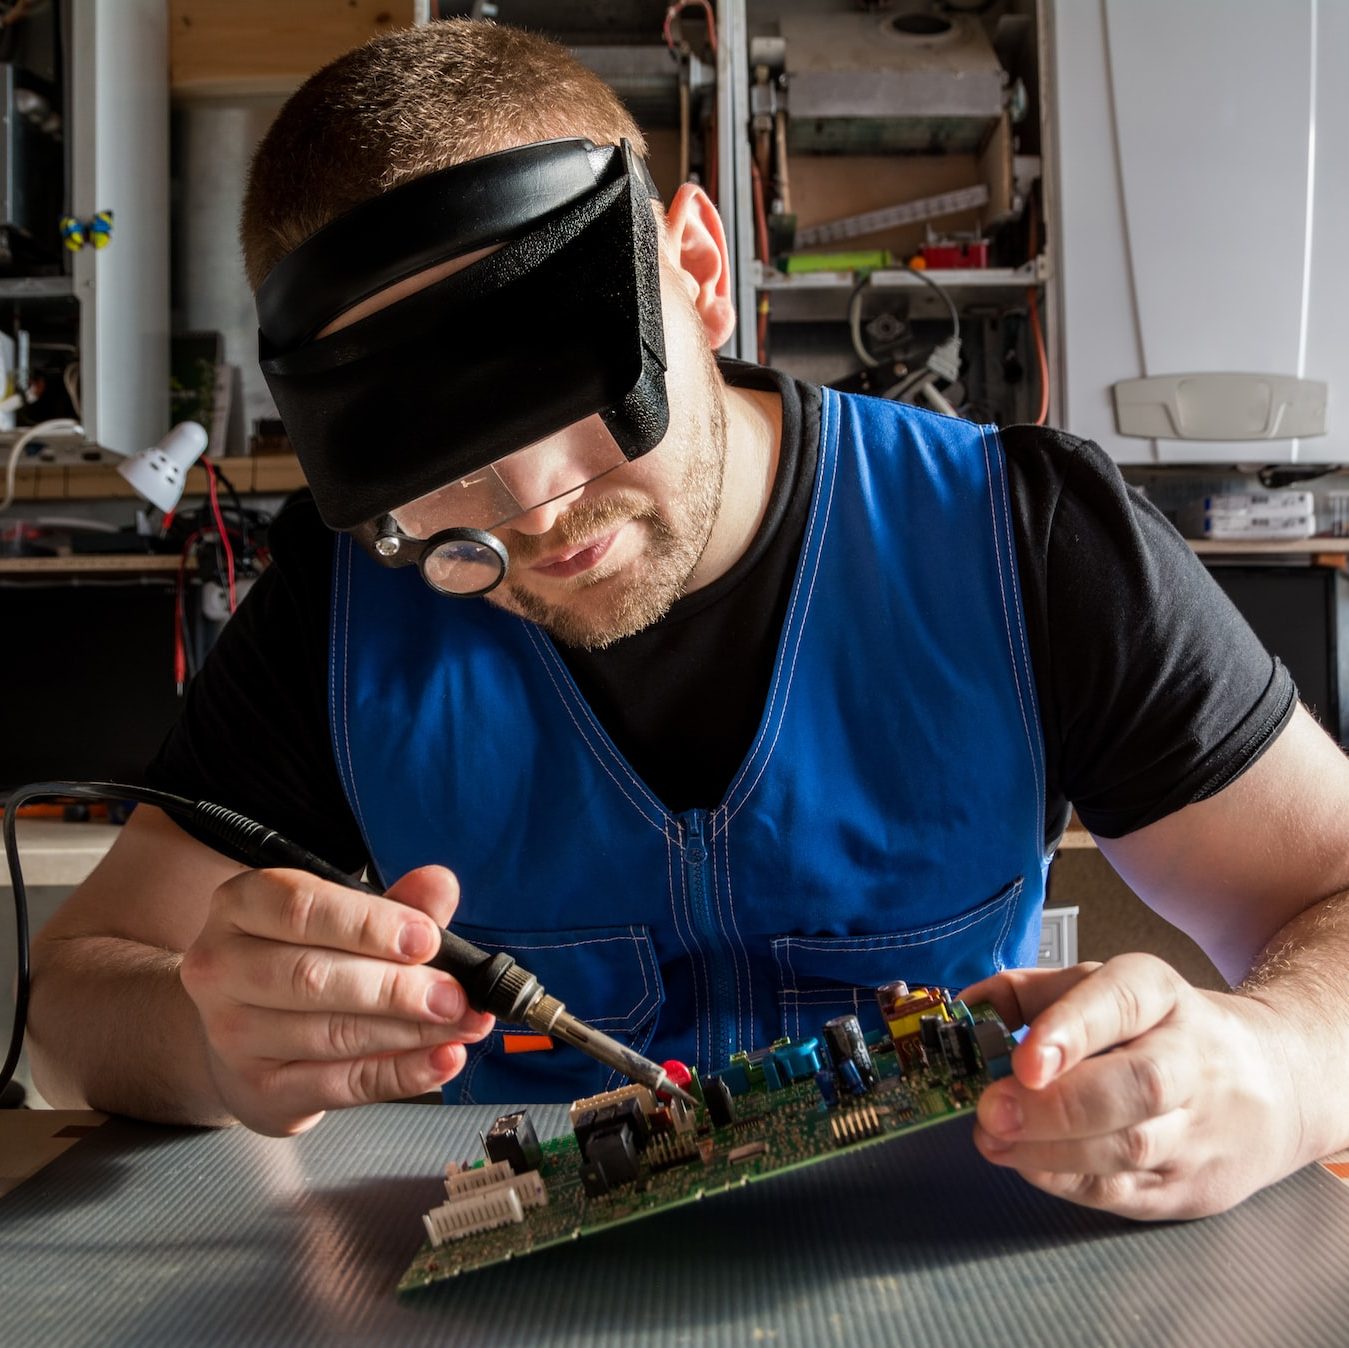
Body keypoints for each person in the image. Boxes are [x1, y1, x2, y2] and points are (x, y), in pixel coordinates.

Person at [26, 19, 1349, 1224]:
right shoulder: (345, 608)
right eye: (449, 464)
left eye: (573, 405)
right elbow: (76, 998)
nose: (539, 512)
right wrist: (215, 1037)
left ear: (701, 271)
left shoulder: (1021, 542)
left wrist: (1279, 1065)